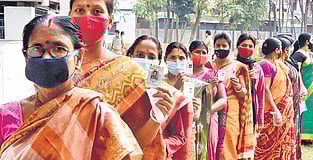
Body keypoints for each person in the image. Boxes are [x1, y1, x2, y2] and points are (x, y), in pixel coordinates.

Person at [0, 15, 142, 159]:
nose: (47, 58)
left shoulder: (97, 114)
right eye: (37, 49)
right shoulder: (6, 116)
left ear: (78, 58)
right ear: (26, 56)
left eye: (59, 49)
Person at [69, 0, 181, 159]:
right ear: (69, 18)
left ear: (110, 22)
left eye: (97, 11)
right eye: (80, 10)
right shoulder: (56, 66)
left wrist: (156, 117)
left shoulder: (129, 72)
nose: (87, 17)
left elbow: (137, 144)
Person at [211, 32, 255, 159]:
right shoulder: (209, 66)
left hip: (230, 112)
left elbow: (244, 94)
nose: (221, 48)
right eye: (218, 45)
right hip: (212, 108)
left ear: (229, 47)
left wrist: (238, 87)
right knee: (211, 143)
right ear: (213, 46)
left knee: (227, 145)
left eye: (224, 46)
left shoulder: (237, 67)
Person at [255, 37, 295, 159]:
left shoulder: (277, 65)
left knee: (281, 144)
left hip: (281, 110)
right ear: (277, 50)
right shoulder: (266, 65)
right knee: (267, 145)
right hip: (271, 112)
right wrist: (275, 110)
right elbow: (265, 90)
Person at [188, 40, 228, 160]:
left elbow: (223, 100)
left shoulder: (214, 74)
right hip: (188, 119)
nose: (200, 55)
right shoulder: (183, 74)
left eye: (203, 52)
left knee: (207, 151)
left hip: (208, 120)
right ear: (190, 54)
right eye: (197, 52)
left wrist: (207, 110)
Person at [162, 42, 196, 160]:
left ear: (187, 61)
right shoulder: (159, 82)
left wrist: (196, 108)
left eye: (181, 58)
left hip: (186, 138)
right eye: (172, 57)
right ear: (165, 59)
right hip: (166, 140)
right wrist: (175, 89)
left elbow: (195, 116)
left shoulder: (191, 84)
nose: (177, 61)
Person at [278, 35, 307, 160]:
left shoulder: (290, 63)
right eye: (288, 48)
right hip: (283, 108)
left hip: (294, 106)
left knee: (293, 132)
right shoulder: (279, 66)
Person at [291, 33, 313, 143]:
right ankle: (300, 135)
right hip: (303, 89)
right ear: (307, 42)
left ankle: (310, 136)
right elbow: (296, 73)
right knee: (302, 111)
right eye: (311, 40)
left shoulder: (312, 54)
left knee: (311, 111)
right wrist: (301, 87)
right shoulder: (298, 55)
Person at [235, 33, 266, 136]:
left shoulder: (257, 69)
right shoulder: (231, 66)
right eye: (243, 45)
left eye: (250, 46)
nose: (247, 48)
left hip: (252, 114)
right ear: (237, 46)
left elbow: (261, 96)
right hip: (234, 112)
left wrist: (260, 120)